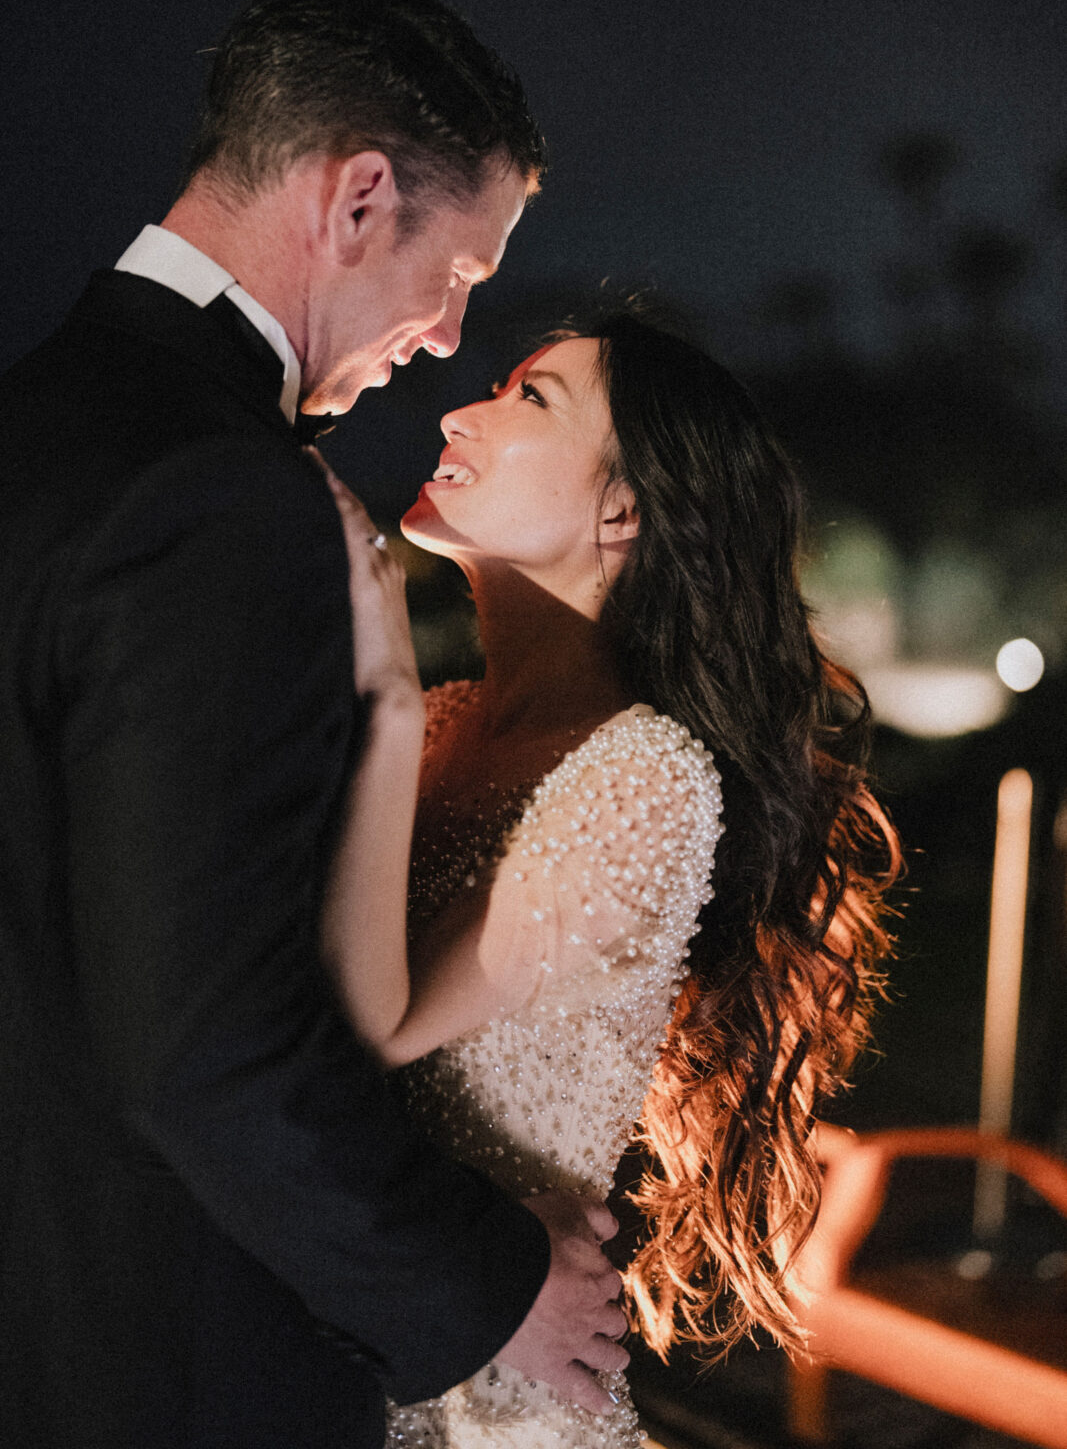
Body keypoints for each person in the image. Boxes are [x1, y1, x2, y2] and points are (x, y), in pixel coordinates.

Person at [0, 0, 629, 1449]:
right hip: (156, 1364)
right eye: (460, 273)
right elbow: (204, 1041)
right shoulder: (228, 498)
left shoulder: (32, 429)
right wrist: (483, 1292)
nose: (444, 336)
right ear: (356, 200)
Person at [318, 312, 901, 1447]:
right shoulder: (445, 724)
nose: (456, 411)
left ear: (619, 511)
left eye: (529, 398)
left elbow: (380, 1021)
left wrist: (378, 670)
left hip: (489, 1398)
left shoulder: (642, 771)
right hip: (384, 1317)